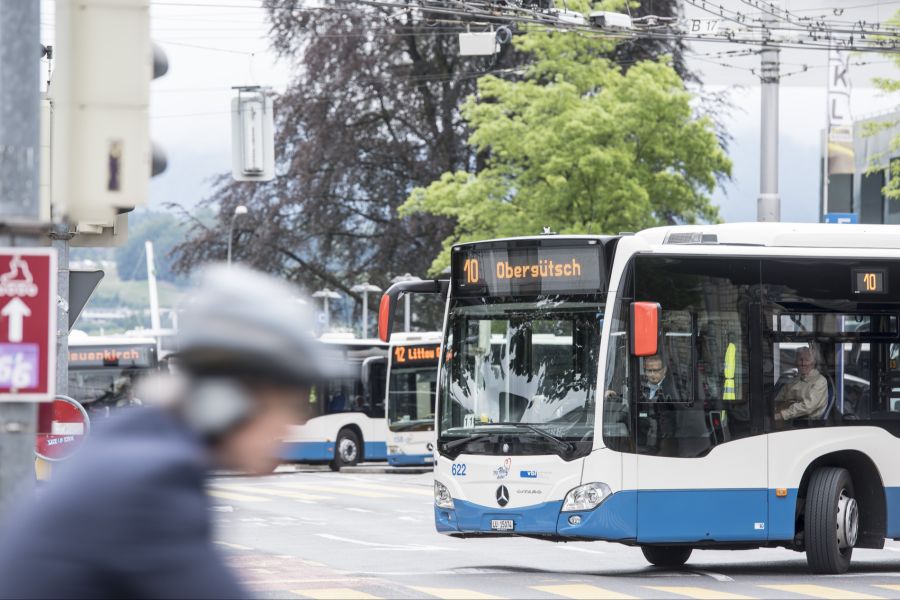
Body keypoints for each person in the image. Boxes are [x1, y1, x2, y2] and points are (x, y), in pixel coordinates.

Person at [0, 265, 344, 599]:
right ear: (230, 401)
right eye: (284, 405)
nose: (288, 424)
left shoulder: (131, 439)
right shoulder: (154, 485)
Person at [775, 347, 828, 423]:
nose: (803, 363)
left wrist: (782, 415)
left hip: (806, 424)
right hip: (788, 419)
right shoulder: (793, 379)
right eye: (800, 360)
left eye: (807, 360)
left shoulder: (820, 381)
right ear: (796, 362)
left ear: (814, 363)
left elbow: (808, 406)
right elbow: (779, 398)